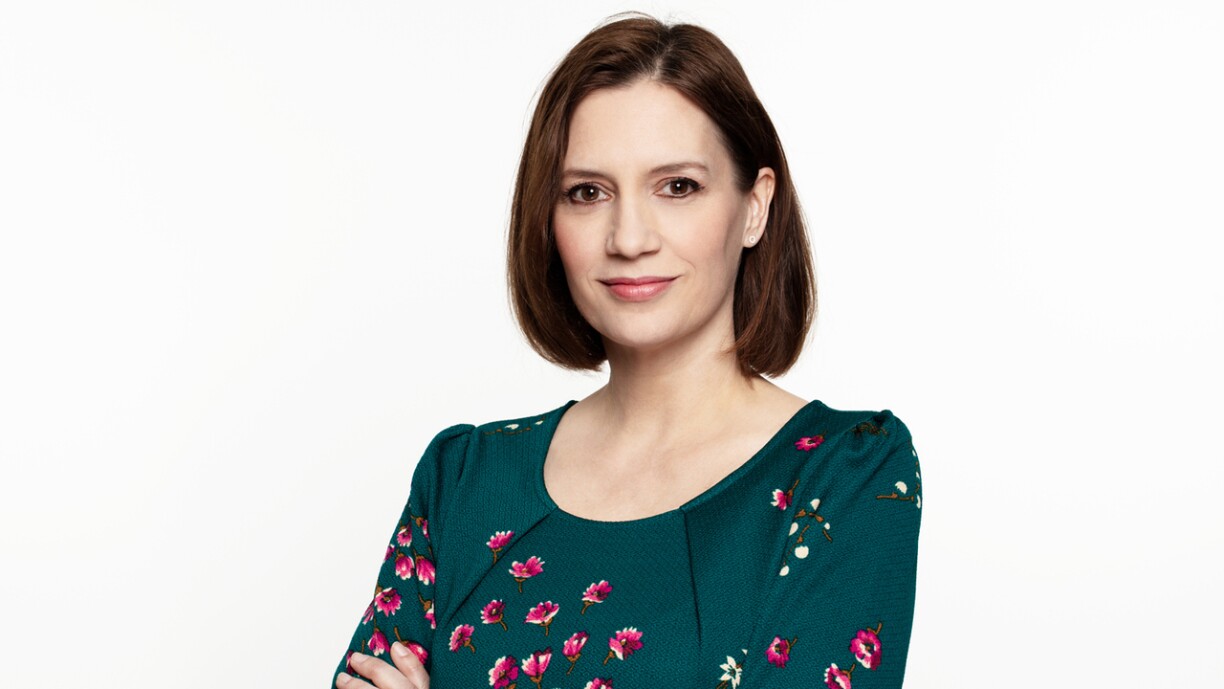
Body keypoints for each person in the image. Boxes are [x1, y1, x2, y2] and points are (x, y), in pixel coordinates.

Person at [332, 12, 921, 689]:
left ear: (755, 207)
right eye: (587, 193)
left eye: (678, 187)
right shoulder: (464, 479)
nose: (629, 237)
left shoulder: (843, 475)